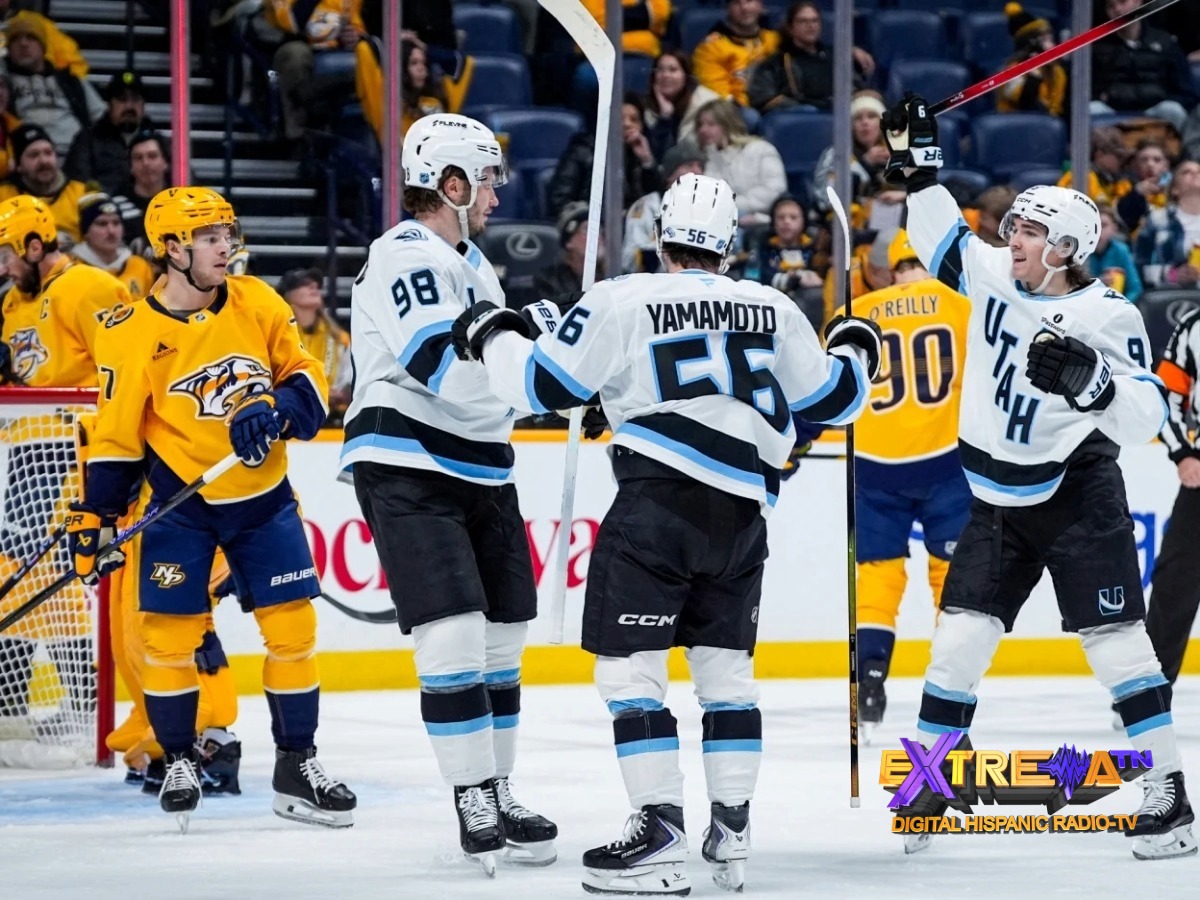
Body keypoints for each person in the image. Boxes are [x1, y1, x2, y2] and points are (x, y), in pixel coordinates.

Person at [450, 172, 881, 894]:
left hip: (657, 510)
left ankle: (660, 830)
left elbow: (540, 389)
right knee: (726, 678)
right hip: (743, 519)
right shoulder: (771, 305)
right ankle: (732, 830)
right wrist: (858, 343)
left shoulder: (622, 297)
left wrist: (492, 332)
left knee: (631, 675)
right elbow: (838, 398)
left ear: (659, 235)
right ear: (730, 243)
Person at [882, 91, 1193, 860]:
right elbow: (939, 234)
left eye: (1028, 230)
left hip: (1077, 493)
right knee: (956, 645)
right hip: (994, 500)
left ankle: (1170, 796)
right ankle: (928, 779)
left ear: (1065, 249)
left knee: (1119, 645)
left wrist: (1093, 384)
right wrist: (916, 167)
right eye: (1013, 225)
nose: (1010, 237)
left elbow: (1145, 416)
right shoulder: (989, 272)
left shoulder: (1109, 316)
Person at [68, 186, 356, 831]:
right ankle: (176, 759)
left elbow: (304, 374)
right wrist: (95, 516)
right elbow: (117, 437)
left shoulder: (256, 300)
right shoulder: (130, 332)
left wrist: (275, 411)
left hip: (264, 502)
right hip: (182, 506)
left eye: (227, 232)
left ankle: (296, 763)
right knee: (167, 639)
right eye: (207, 237)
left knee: (293, 634)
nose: (224, 246)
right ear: (171, 248)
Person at [339, 114, 557, 873]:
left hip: (480, 465)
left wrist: (545, 363)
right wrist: (539, 380)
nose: (498, 194)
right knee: (455, 633)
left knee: (503, 637)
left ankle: (496, 785)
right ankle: (471, 792)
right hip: (406, 459)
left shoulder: (476, 266)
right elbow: (446, 372)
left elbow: (489, 388)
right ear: (452, 185)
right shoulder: (406, 254)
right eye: (488, 179)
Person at [0, 195, 131, 745]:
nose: (4, 266)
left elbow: (127, 364)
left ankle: (85, 710)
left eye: (8, 253)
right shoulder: (12, 303)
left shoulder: (88, 287)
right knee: (14, 576)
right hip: (21, 455)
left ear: (36, 244)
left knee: (65, 583)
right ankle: (11, 707)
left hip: (72, 453)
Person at [835, 229, 971, 740]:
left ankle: (870, 683)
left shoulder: (857, 310)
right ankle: (950, 691)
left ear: (890, 269)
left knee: (877, 582)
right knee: (951, 582)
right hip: (946, 463)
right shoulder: (960, 305)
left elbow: (830, 388)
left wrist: (793, 449)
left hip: (874, 465)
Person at [1141, 308, 1200, 695]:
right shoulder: (1194, 326)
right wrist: (1183, 453)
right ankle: (1150, 691)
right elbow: (1164, 397)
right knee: (1175, 582)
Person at [747, 0, 873, 114]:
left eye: (814, 21)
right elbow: (762, 98)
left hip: (841, 115)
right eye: (803, 21)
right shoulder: (776, 62)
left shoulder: (836, 56)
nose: (811, 26)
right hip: (801, 118)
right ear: (791, 27)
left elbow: (857, 90)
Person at [1091, 0, 1196, 132]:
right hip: (1113, 109)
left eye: (1123, 2)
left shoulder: (1165, 43)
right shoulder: (1098, 48)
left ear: (1138, 2)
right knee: (1092, 109)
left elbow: (1186, 93)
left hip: (1156, 109)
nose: (1117, 9)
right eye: (1111, 6)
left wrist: (1161, 96)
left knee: (1173, 109)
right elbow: (1089, 92)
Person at [277, 267, 352, 425]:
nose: (314, 287)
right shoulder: (277, 336)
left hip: (333, 419)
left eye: (317, 285)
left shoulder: (340, 339)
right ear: (287, 296)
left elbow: (351, 379)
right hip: (286, 417)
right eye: (304, 284)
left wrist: (346, 392)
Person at [695, 98, 786, 226]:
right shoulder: (710, 159)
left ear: (727, 124)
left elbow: (775, 192)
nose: (703, 130)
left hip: (764, 222)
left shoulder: (761, 150)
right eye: (700, 125)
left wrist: (734, 205)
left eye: (711, 124)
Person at [0, 123, 94, 247]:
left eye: (48, 153)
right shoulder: (4, 197)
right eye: (34, 155)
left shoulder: (83, 194)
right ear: (19, 166)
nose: (44, 161)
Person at [64, 70, 155, 195]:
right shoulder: (87, 142)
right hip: (103, 210)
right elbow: (77, 187)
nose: (129, 105)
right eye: (122, 99)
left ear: (143, 104)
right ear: (109, 104)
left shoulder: (157, 143)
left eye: (135, 99)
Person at [623, 139, 706, 273]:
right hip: (653, 286)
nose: (697, 171)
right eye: (689, 165)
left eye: (700, 166)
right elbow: (629, 258)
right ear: (670, 174)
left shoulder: (707, 209)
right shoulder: (647, 206)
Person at [692, 0, 780, 108]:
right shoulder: (711, 47)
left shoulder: (775, 40)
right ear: (727, 8)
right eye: (736, 3)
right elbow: (717, 95)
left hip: (774, 104)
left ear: (760, 4)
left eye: (749, 1)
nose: (744, 8)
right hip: (736, 110)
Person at [70, 192, 156, 298]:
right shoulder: (71, 269)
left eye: (116, 223)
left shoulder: (140, 267)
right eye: (102, 224)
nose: (111, 231)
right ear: (86, 232)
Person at [642, 50, 720, 162]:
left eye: (673, 70)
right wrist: (664, 119)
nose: (665, 75)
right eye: (660, 70)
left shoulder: (707, 103)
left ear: (686, 76)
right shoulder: (647, 109)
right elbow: (656, 157)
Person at [1136, 159, 1200, 289]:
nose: (1195, 174)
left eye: (1199, 172)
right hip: (1171, 297)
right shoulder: (1157, 220)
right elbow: (1139, 266)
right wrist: (1172, 275)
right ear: (1175, 189)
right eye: (1186, 172)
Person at [995, 3, 1067, 117]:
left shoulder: (1057, 73)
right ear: (1032, 45)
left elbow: (1055, 112)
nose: (1052, 45)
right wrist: (1034, 78)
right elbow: (1024, 106)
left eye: (1051, 38)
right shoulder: (1012, 71)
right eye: (1045, 40)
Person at [534, 201, 603, 299]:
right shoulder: (550, 281)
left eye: (599, 229)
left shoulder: (615, 274)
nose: (597, 235)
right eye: (587, 229)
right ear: (569, 242)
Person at [1088, 201, 1144, 303]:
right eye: (1093, 225)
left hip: (1116, 306)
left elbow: (1135, 288)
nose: (1097, 230)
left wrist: (1121, 306)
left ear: (1113, 229)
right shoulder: (1079, 251)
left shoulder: (1121, 250)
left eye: (1103, 225)